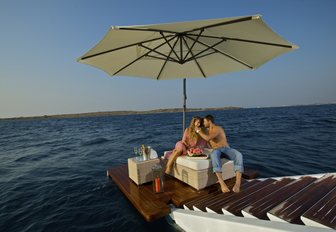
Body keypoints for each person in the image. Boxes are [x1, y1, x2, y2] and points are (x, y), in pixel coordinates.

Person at [195, 115, 244, 193]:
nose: (203, 123)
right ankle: (222, 183)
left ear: (209, 121)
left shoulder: (217, 128)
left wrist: (198, 130)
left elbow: (208, 138)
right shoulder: (206, 131)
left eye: (204, 121)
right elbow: (204, 139)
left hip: (226, 149)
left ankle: (237, 184)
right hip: (216, 151)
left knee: (238, 154)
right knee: (214, 154)